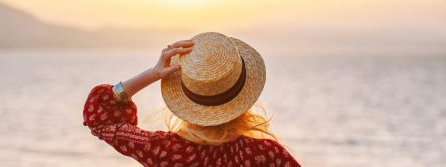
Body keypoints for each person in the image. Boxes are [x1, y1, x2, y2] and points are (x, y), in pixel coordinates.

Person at [82, 32, 301, 167]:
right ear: (243, 96)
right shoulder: (266, 155)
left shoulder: (166, 152)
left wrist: (152, 73)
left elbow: (100, 118)